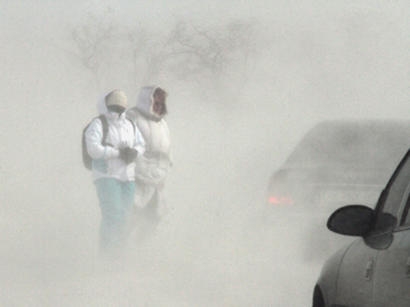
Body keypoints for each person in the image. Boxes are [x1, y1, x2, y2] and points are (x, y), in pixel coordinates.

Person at [85, 89, 145, 255]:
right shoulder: (98, 124)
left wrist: (134, 153)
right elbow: (93, 149)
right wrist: (117, 153)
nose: (117, 111)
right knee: (113, 215)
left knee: (125, 217)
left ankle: (119, 255)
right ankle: (106, 255)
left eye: (120, 108)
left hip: (128, 177)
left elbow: (141, 144)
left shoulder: (130, 125)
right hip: (106, 176)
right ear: (106, 105)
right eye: (113, 107)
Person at [126, 86, 172, 241]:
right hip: (136, 180)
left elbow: (167, 151)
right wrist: (140, 172)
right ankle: (115, 256)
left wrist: (163, 174)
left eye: (161, 104)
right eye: (155, 103)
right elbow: (129, 148)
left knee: (154, 219)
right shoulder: (132, 118)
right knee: (130, 219)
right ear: (147, 101)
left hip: (157, 182)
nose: (158, 107)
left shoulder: (163, 124)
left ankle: (141, 253)